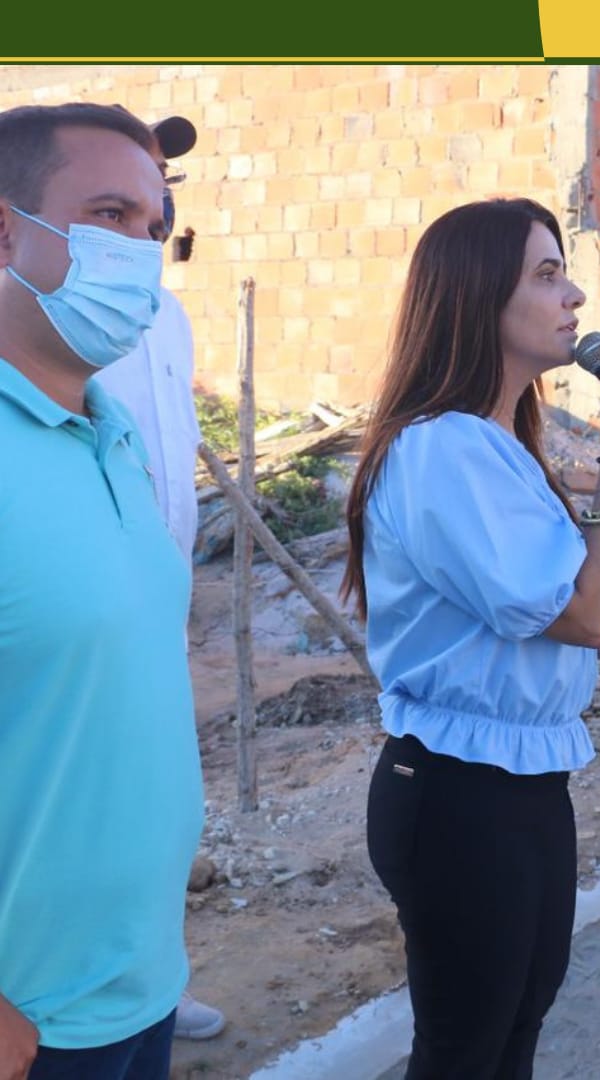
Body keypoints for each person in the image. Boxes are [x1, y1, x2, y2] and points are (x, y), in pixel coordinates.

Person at [340, 197, 600, 1079]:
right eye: (547, 275)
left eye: (567, 274)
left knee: (516, 1028)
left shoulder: (498, 443)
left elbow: (567, 613)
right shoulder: (441, 448)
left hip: (522, 784)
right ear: (477, 295)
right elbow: (580, 610)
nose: (575, 298)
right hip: (458, 796)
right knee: (466, 1050)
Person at [0, 102, 203, 1080]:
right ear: (5, 233)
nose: (140, 254)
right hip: (32, 1023)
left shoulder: (113, 435)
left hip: (141, 982)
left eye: (154, 228)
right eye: (110, 216)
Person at [94, 111, 225, 1044]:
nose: (150, 220)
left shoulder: (167, 318)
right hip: (80, 613)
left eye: (158, 199)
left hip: (164, 608)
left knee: (157, 812)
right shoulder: (46, 313)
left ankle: (155, 981)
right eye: (116, 208)